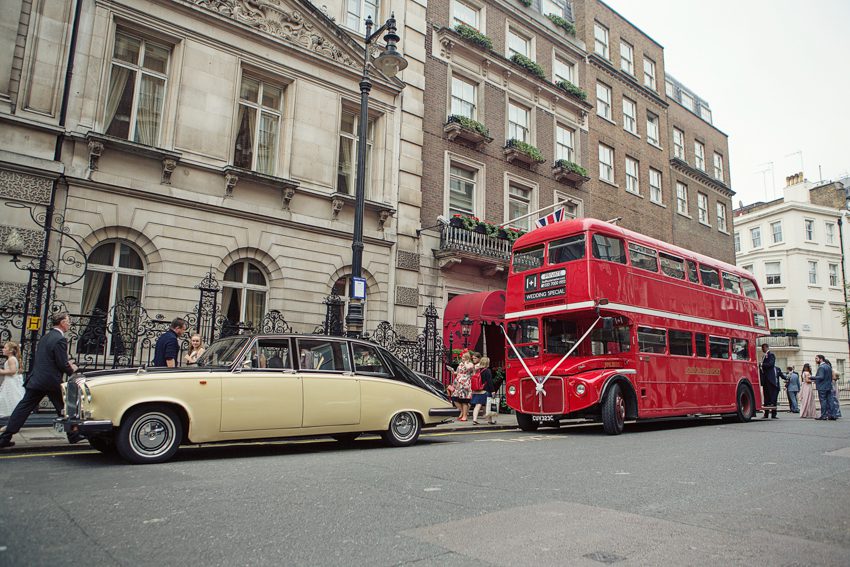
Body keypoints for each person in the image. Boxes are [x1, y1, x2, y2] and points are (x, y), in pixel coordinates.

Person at [0, 312, 78, 449]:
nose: (69, 324)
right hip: (51, 382)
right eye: (68, 321)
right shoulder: (60, 339)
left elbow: (46, 360)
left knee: (23, 408)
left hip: (37, 379)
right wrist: (72, 370)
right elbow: (61, 363)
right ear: (62, 323)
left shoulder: (45, 337)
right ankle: (73, 435)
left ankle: (5, 438)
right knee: (65, 408)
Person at [0, 341, 25, 418]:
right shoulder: (13, 359)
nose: (3, 349)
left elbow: (13, 371)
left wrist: (1, 371)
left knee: (10, 398)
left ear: (11, 350)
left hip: (11, 383)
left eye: (5, 348)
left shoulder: (11, 359)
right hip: (10, 382)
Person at [451, 351, 473, 422]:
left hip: (465, 384)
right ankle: (463, 412)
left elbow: (469, 369)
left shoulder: (470, 364)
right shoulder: (460, 364)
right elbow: (457, 372)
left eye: (463, 357)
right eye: (462, 357)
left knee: (464, 401)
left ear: (467, 358)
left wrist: (465, 363)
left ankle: (464, 416)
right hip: (458, 384)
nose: (462, 358)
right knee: (454, 398)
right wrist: (453, 372)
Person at [471, 355, 493, 425]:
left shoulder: (477, 370)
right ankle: (490, 420)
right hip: (484, 391)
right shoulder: (487, 371)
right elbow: (489, 382)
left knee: (477, 405)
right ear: (487, 363)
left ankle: (474, 419)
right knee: (488, 405)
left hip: (476, 390)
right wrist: (493, 391)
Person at [813, 354, 836, 421]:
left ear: (821, 359)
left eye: (816, 358)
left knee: (823, 401)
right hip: (829, 386)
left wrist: (811, 377)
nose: (815, 360)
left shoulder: (821, 367)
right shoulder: (828, 366)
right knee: (830, 401)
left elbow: (821, 377)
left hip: (822, 387)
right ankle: (832, 415)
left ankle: (823, 415)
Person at [759, 343, 779, 419]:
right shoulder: (764, 356)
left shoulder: (771, 355)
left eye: (763, 348)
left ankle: (774, 414)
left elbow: (771, 364)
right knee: (766, 397)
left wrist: (762, 364)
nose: (762, 349)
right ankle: (766, 414)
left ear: (766, 347)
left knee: (772, 396)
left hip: (770, 379)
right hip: (765, 379)